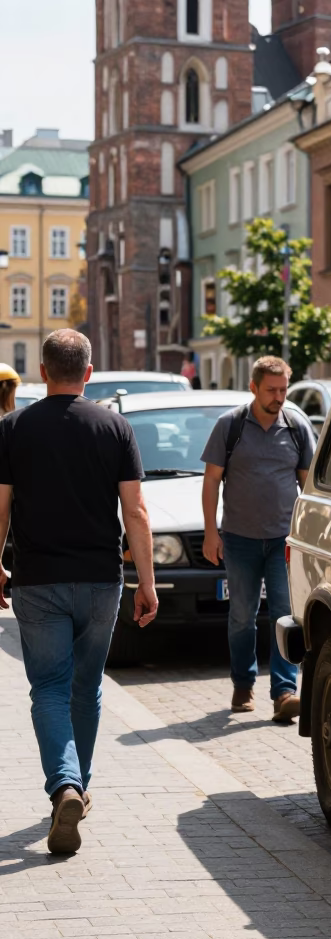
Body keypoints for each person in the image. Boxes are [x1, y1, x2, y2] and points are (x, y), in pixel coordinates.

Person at [0, 329, 159, 855]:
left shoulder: (13, 428)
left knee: (47, 688)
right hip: (100, 579)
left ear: (43, 371)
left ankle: (65, 786)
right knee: (85, 688)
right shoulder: (115, 427)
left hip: (37, 579)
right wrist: (148, 582)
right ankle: (78, 786)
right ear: (88, 372)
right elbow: (135, 511)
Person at [201, 355, 316, 723]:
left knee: (285, 616)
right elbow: (211, 482)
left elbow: (308, 485)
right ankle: (242, 684)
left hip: (284, 542)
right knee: (241, 617)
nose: (279, 397)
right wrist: (210, 532)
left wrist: (309, 536)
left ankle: (284, 693)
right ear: (253, 388)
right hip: (239, 539)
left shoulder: (297, 427)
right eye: (271, 390)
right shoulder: (230, 426)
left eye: (283, 389)